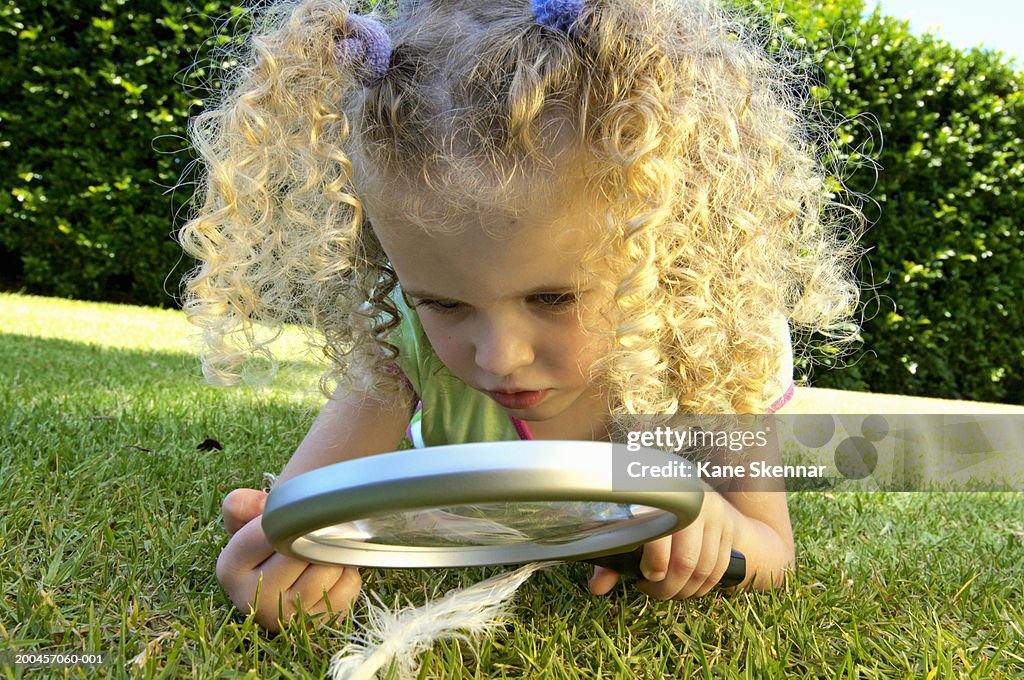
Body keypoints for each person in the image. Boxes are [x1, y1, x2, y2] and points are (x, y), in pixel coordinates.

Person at [178, 0, 861, 632]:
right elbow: (301, 513)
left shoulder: (713, 343)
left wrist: (717, 530)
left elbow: (772, 550)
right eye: (444, 303)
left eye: (554, 299)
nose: (499, 356)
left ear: (664, 246)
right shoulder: (403, 339)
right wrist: (273, 560)